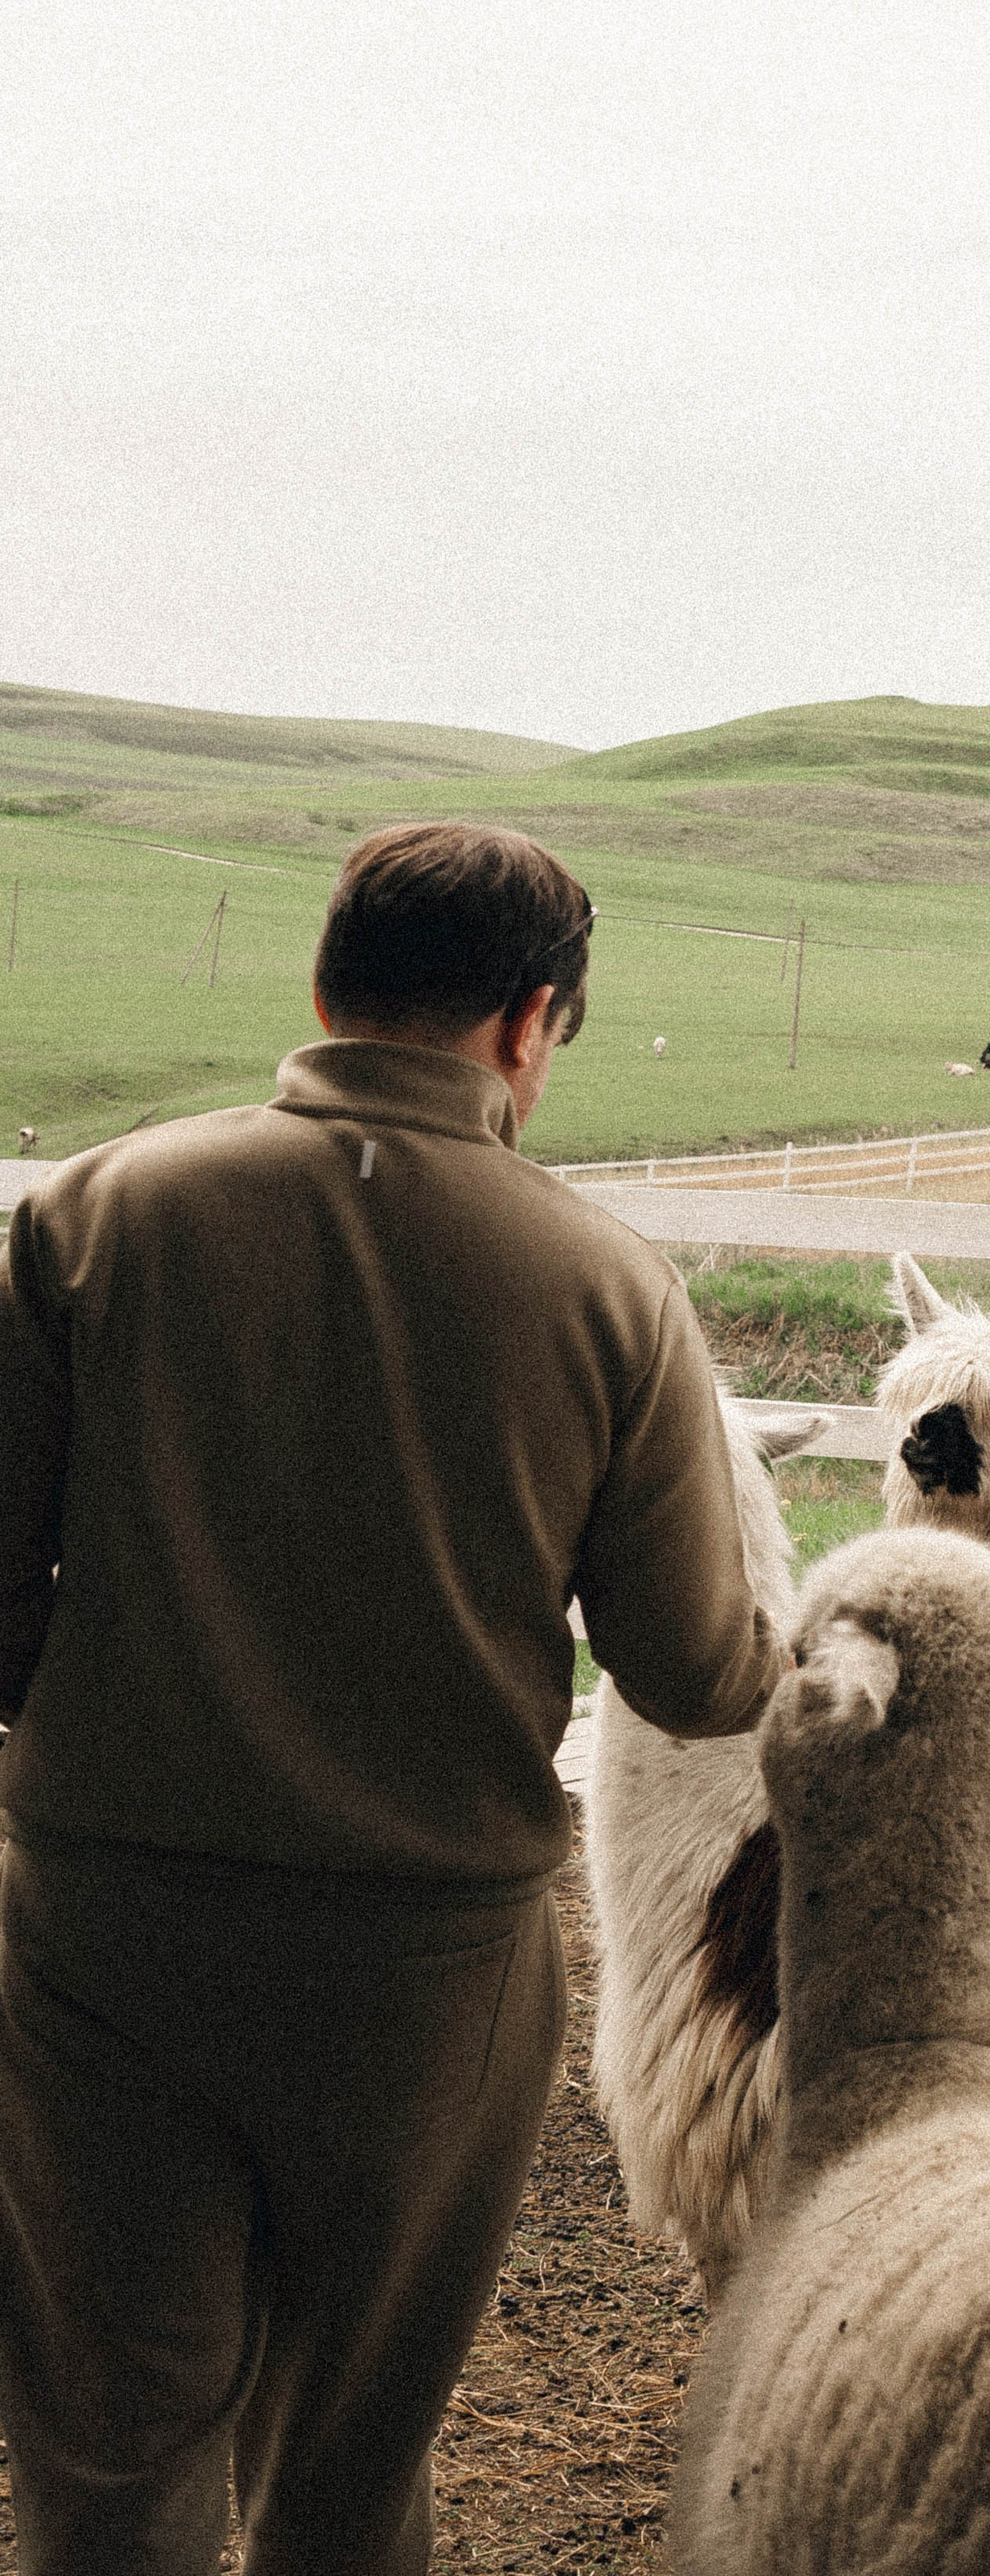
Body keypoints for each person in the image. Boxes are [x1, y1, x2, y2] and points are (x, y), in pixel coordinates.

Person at [0, 821, 787, 2575]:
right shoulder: (606, 1289)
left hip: (102, 1929)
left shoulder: (93, 1216)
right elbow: (686, 1668)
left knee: (108, 2441)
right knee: (351, 2459)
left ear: (323, 985)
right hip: (424, 1969)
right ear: (530, 1023)